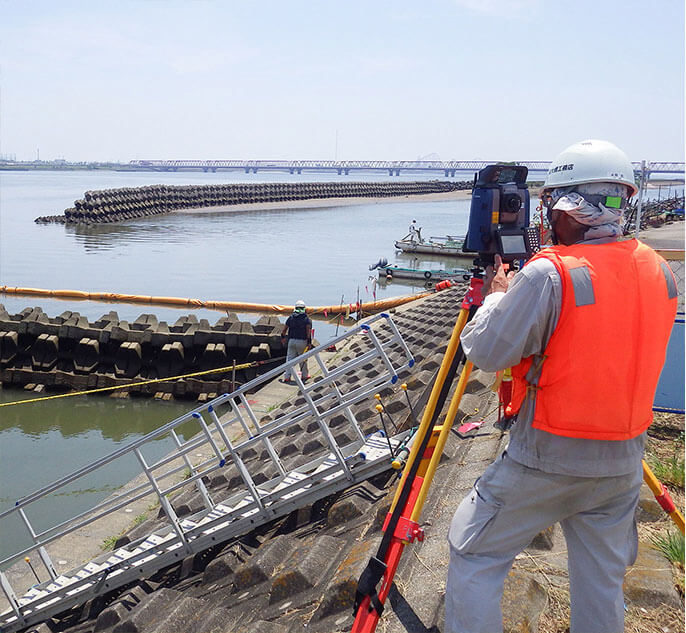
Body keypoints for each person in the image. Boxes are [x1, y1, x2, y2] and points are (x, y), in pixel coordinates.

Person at [445, 139, 678, 633]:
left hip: (547, 456)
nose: (545, 217)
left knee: (474, 551)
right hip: (621, 462)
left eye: (551, 205)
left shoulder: (550, 274)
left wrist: (496, 298)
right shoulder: (660, 270)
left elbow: (486, 351)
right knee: (600, 579)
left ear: (571, 208)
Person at [281, 299, 312, 383]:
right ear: (304, 309)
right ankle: (304, 375)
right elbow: (308, 332)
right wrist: (309, 343)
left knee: (289, 360)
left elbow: (284, 330)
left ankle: (287, 377)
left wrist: (283, 338)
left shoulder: (291, 318)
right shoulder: (307, 319)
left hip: (291, 341)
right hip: (302, 341)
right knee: (303, 359)